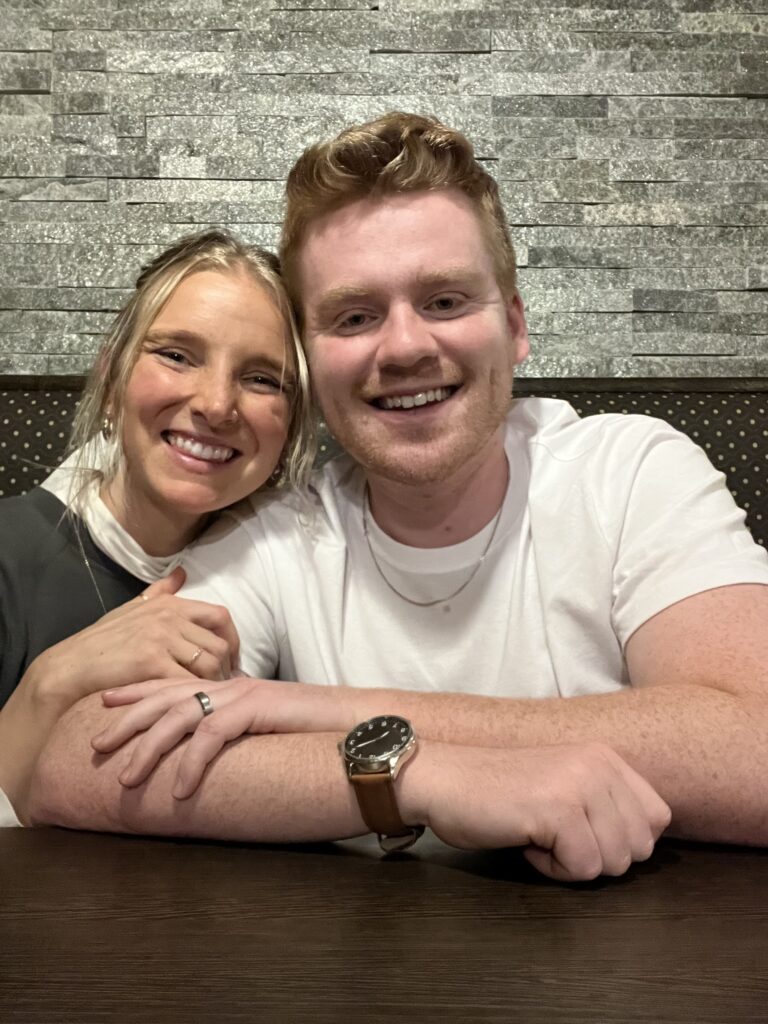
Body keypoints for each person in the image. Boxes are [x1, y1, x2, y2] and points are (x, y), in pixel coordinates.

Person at [27, 114, 768, 882]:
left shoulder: (630, 471)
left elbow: (754, 749)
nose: (407, 347)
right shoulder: (280, 530)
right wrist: (415, 776)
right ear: (312, 362)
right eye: (355, 317)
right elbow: (79, 759)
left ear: (513, 326)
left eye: (445, 301)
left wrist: (336, 713)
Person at [0, 228, 314, 827]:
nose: (217, 405)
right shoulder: (9, 559)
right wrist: (51, 683)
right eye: (176, 355)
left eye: (262, 379)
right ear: (113, 378)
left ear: (293, 423)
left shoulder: (300, 576)